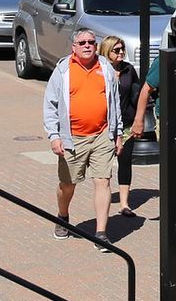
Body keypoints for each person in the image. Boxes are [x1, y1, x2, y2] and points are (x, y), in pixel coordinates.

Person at [45, 28, 121, 244]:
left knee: (103, 181)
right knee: (67, 185)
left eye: (91, 42)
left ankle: (101, 233)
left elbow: (114, 103)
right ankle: (62, 216)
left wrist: (117, 133)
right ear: (74, 47)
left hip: (102, 135)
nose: (87, 46)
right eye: (82, 43)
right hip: (72, 137)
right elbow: (50, 106)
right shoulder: (63, 70)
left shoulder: (105, 68)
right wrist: (54, 136)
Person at [100, 36, 142, 217]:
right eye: (116, 50)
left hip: (126, 124)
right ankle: (103, 198)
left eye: (122, 49)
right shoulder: (100, 70)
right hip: (104, 126)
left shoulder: (128, 69)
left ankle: (124, 204)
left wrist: (138, 119)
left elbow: (137, 93)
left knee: (125, 162)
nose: (121, 53)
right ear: (106, 51)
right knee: (103, 165)